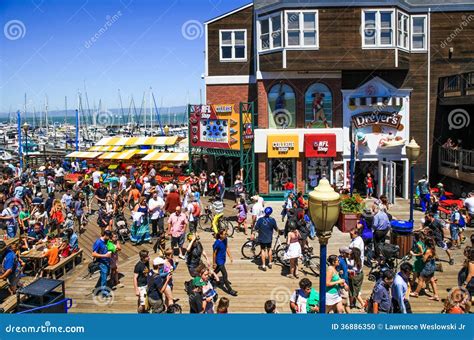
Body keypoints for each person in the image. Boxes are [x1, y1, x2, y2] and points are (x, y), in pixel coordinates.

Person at [253, 207, 278, 271]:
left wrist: (253, 234)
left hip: (262, 237)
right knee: (269, 249)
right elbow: (276, 228)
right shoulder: (272, 220)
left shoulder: (260, 220)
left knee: (263, 250)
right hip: (269, 237)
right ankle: (270, 263)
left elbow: (255, 228)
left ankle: (263, 265)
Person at [213, 229, 237, 296]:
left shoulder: (225, 239)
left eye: (226, 234)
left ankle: (211, 278)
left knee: (217, 270)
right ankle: (230, 290)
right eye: (224, 234)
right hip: (219, 260)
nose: (226, 235)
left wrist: (230, 257)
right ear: (220, 235)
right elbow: (214, 253)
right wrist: (214, 262)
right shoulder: (217, 243)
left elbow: (226, 248)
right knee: (225, 275)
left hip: (223, 259)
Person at [92, 230, 112, 298]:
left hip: (107, 262)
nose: (109, 238)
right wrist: (105, 256)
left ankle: (98, 287)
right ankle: (104, 293)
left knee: (105, 276)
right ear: (105, 235)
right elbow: (93, 254)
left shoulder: (106, 241)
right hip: (102, 262)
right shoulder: (98, 242)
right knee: (104, 277)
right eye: (109, 237)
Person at [337, 247, 351, 313]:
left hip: (345, 283)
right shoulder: (339, 261)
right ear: (343, 254)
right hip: (342, 286)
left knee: (346, 303)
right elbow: (336, 274)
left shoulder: (344, 259)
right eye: (347, 253)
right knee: (344, 302)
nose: (349, 255)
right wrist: (344, 284)